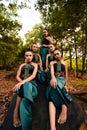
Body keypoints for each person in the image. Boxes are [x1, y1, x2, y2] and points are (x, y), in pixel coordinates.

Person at [46, 49, 73, 130]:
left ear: (61, 54)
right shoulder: (52, 63)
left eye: (58, 53)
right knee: (53, 87)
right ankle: (53, 127)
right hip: (54, 78)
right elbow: (51, 72)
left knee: (58, 86)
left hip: (62, 79)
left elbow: (66, 75)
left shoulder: (65, 63)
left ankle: (64, 109)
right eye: (55, 54)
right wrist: (53, 78)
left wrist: (66, 85)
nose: (56, 55)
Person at [13, 49, 38, 130]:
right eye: (26, 55)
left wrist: (22, 83)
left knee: (26, 85)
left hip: (32, 85)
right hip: (24, 84)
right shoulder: (22, 65)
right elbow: (17, 76)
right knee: (24, 98)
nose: (28, 57)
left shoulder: (35, 65)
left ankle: (16, 113)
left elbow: (33, 75)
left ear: (32, 56)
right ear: (25, 56)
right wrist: (21, 82)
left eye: (30, 55)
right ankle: (16, 113)